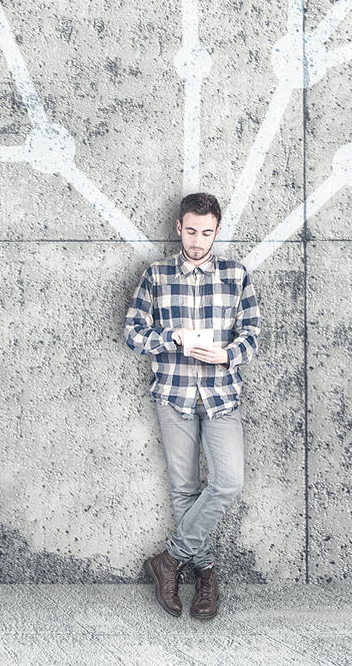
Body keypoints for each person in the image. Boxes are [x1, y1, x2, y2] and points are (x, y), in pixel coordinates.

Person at [124, 191, 261, 621]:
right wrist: (172, 339)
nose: (198, 240)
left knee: (228, 482)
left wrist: (226, 354)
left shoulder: (235, 275)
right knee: (184, 490)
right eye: (191, 231)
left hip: (222, 395)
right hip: (174, 393)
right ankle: (204, 575)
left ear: (217, 231)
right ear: (178, 228)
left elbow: (253, 334)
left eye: (206, 233)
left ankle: (170, 559)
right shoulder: (157, 275)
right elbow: (132, 332)